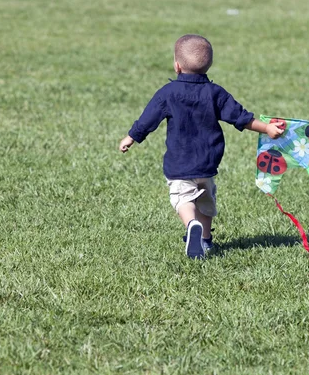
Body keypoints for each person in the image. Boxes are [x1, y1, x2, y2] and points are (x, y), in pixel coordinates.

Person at [119, 34, 284, 259]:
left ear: (177, 65)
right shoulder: (216, 93)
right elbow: (240, 118)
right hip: (208, 161)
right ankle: (205, 241)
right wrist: (267, 129)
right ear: (209, 64)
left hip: (179, 163)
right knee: (206, 203)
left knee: (182, 199)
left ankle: (191, 226)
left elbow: (148, 119)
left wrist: (131, 137)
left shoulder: (167, 93)